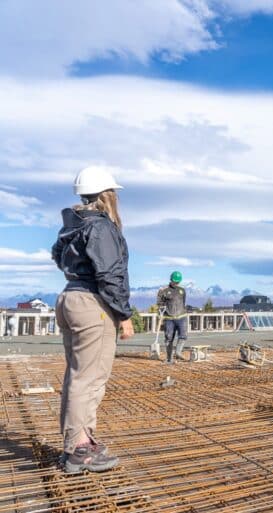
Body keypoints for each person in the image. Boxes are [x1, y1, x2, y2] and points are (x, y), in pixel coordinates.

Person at [51, 166, 134, 474]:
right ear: (106, 194)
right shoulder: (101, 227)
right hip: (91, 303)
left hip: (69, 297)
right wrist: (123, 314)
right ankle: (77, 449)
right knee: (90, 378)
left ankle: (80, 439)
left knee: (77, 375)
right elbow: (110, 274)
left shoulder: (72, 225)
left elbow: (57, 256)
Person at [156, 271, 188, 363]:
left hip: (182, 317)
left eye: (178, 281)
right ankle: (169, 358)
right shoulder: (164, 290)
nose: (176, 283)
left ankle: (178, 352)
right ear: (171, 279)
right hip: (169, 318)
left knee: (183, 335)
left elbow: (183, 302)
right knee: (169, 338)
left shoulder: (182, 290)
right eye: (175, 281)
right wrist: (161, 311)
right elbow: (159, 303)